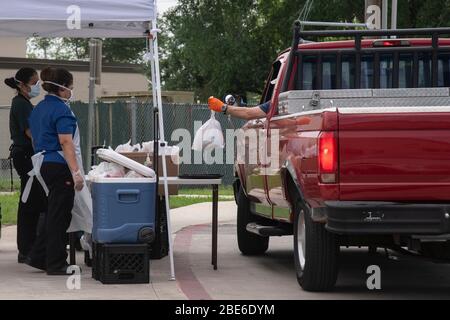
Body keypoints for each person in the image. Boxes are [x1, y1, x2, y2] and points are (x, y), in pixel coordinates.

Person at [26, 67, 91, 275]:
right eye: (70, 87)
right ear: (62, 89)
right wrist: (76, 172)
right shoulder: (62, 110)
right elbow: (65, 142)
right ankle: (55, 263)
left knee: (52, 212)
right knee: (59, 216)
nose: (71, 91)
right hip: (59, 165)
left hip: (43, 163)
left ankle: (38, 256)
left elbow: (34, 138)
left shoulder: (38, 109)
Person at [4, 68, 47, 264]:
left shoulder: (24, 103)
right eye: (35, 82)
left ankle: (28, 246)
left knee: (31, 200)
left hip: (27, 155)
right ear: (22, 84)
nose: (38, 86)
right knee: (30, 201)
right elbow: (31, 133)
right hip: (26, 155)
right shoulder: (21, 104)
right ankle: (27, 248)